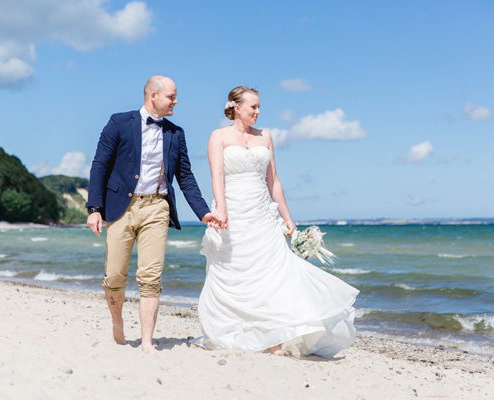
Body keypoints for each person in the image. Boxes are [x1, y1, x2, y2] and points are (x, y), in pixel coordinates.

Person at [195, 86, 359, 357]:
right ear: (236, 107)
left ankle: (274, 339)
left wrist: (288, 219)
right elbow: (216, 177)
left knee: (271, 274)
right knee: (239, 272)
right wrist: (221, 209)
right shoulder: (218, 137)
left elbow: (273, 181)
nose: (258, 112)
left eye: (259, 107)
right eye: (253, 107)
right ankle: (252, 333)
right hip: (233, 212)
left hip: (261, 214)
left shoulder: (266, 136)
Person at [86, 76, 220, 354]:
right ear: (154, 95)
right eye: (172, 96)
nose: (176, 101)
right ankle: (117, 322)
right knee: (114, 276)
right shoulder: (119, 122)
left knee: (150, 276)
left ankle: (147, 341)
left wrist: (204, 213)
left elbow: (185, 176)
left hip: (157, 207)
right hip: (119, 207)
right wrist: (94, 208)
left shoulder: (176, 133)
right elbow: (100, 164)